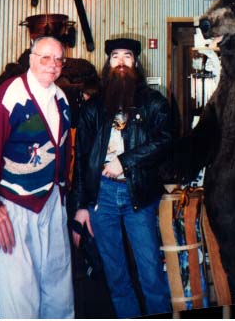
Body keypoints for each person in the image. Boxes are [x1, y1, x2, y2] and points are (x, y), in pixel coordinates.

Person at [0, 36, 74, 318]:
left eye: (58, 60)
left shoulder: (61, 98)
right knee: (19, 289)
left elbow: (63, 150)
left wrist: (63, 193)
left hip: (52, 201)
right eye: (45, 58)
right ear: (31, 59)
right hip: (15, 204)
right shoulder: (11, 94)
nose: (52, 65)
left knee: (57, 282)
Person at [72, 37, 172, 318]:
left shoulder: (154, 102)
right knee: (115, 275)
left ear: (135, 63)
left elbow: (165, 140)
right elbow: (81, 160)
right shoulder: (93, 109)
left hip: (137, 193)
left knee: (150, 271)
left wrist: (124, 163)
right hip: (101, 197)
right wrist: (80, 206)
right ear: (108, 63)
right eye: (115, 56)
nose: (120, 62)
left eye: (127, 56)